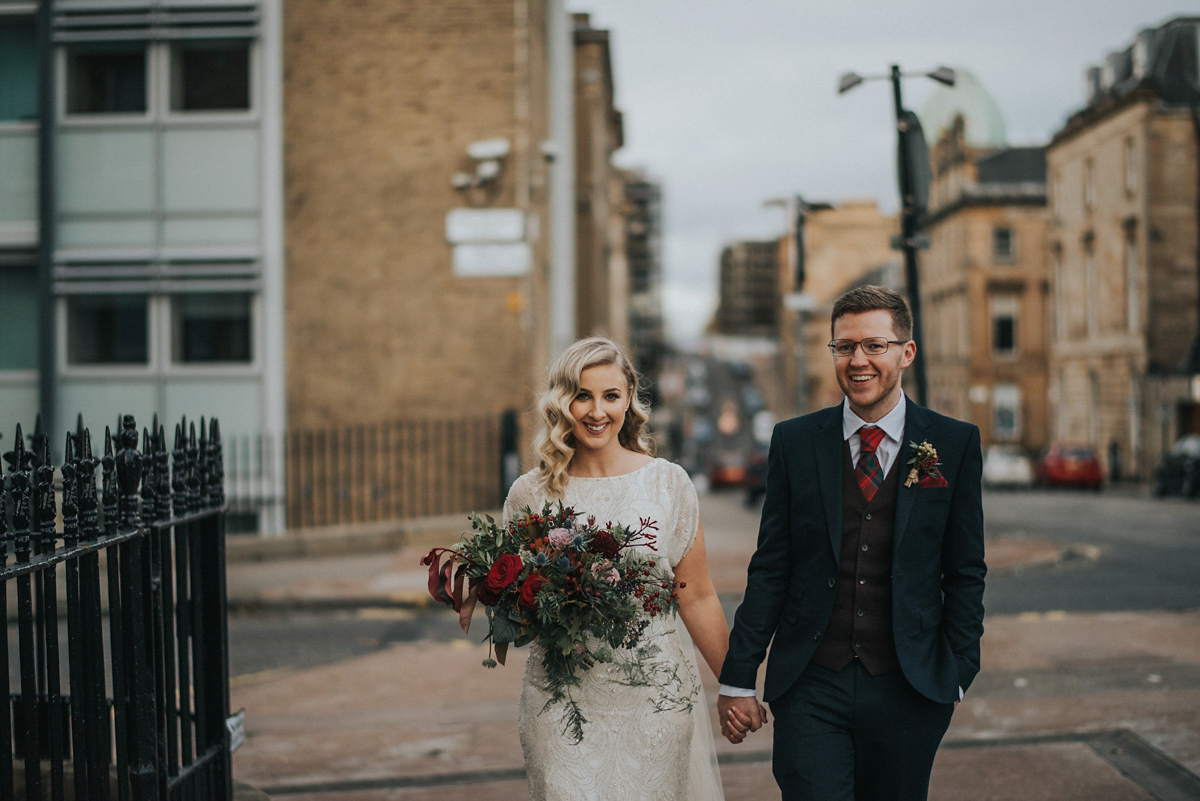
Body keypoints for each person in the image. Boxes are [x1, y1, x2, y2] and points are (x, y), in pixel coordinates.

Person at [717, 285, 987, 801]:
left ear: (906, 352)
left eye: (874, 345)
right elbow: (771, 566)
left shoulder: (953, 444)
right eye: (844, 347)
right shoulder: (794, 442)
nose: (857, 360)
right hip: (812, 683)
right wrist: (738, 677)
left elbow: (966, 568)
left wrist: (957, 669)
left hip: (911, 687)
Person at [503, 336, 740, 801]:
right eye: (582, 396)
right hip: (561, 697)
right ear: (561, 401)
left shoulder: (668, 482)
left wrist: (735, 685)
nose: (596, 411)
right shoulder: (529, 494)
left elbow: (697, 594)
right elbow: (519, 607)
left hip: (652, 699)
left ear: (629, 398)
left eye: (610, 396)